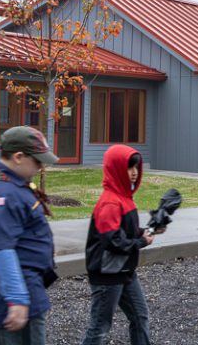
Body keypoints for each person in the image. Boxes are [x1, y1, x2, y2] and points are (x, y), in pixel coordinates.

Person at [0, 126, 60, 345]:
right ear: (19, 157)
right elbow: (2, 250)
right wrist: (18, 300)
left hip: (28, 287)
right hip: (18, 297)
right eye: (38, 160)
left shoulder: (13, 185)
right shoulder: (2, 194)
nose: (41, 166)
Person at [81, 145, 162, 345]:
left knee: (140, 316)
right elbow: (112, 240)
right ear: (115, 169)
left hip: (124, 270)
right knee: (99, 327)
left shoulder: (124, 198)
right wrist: (141, 241)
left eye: (136, 167)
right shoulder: (109, 203)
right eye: (129, 168)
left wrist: (145, 231)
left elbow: (124, 231)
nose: (134, 173)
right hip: (107, 275)